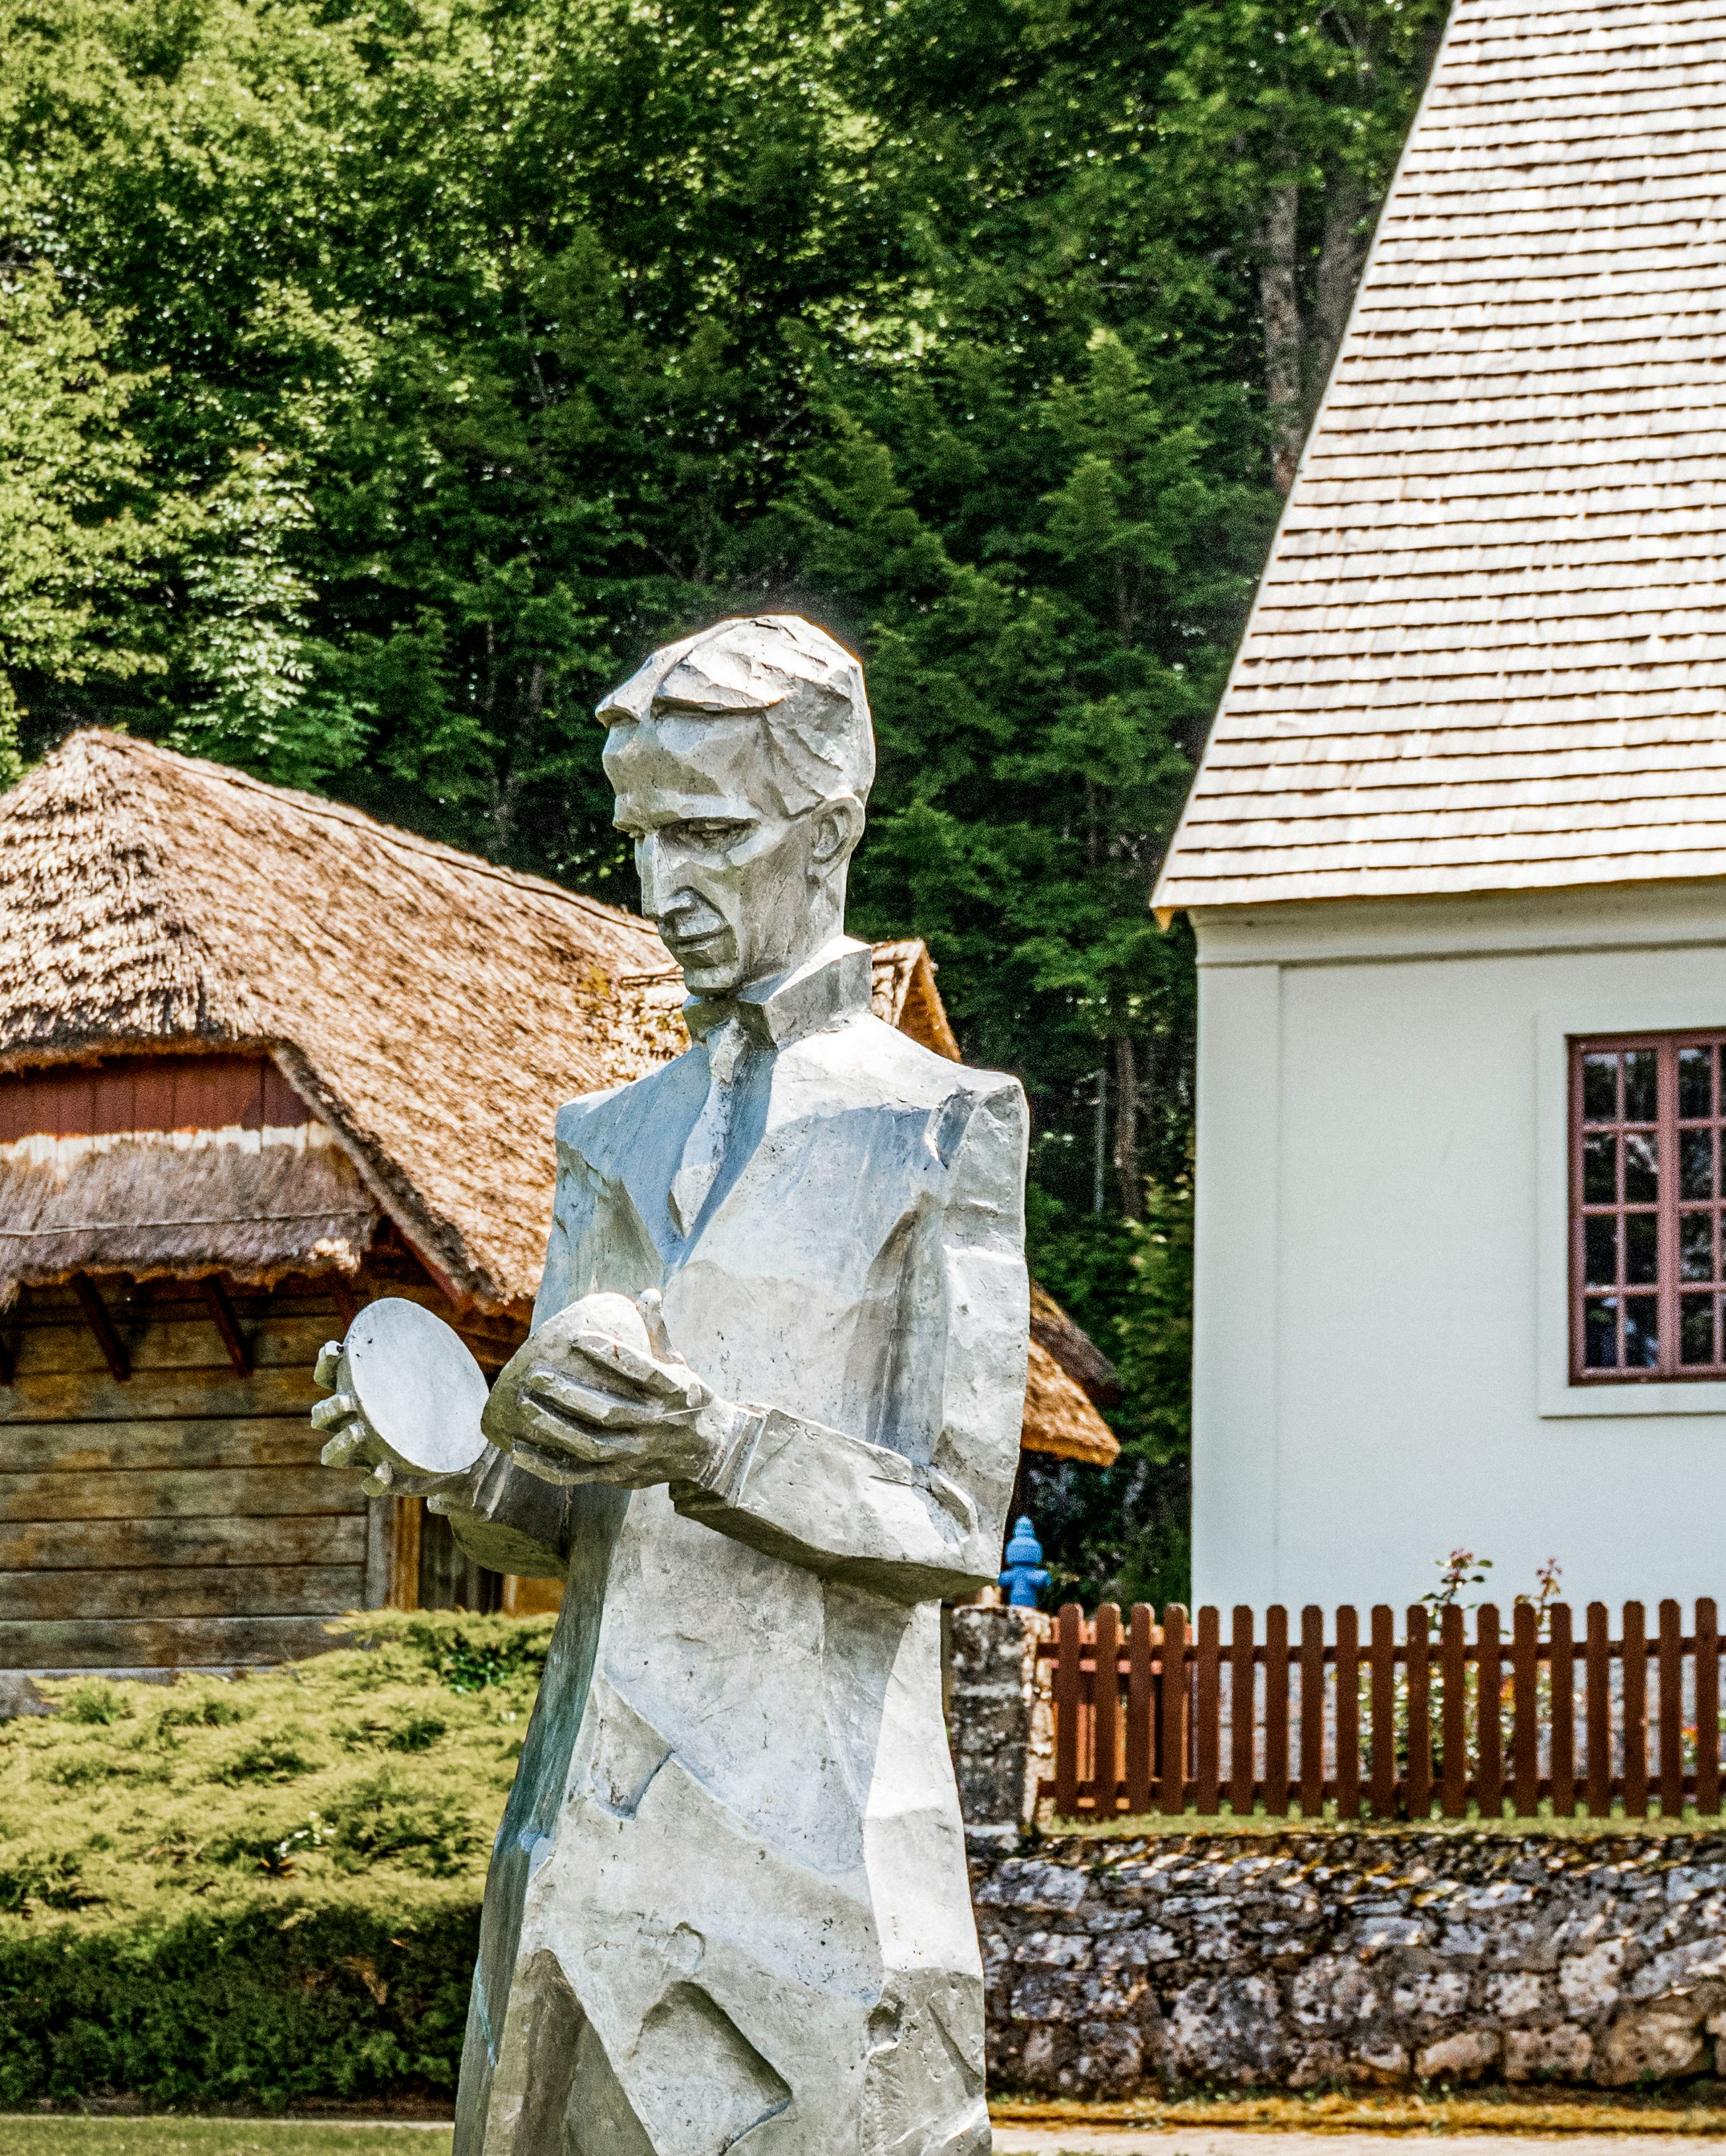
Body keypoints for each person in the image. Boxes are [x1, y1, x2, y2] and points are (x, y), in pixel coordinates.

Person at [314, 612, 1027, 2156]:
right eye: (639, 836)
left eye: (707, 831)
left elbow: (957, 1525)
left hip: (820, 1846)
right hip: (581, 1835)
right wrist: (451, 1461)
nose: (659, 887)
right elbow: (565, 1519)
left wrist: (711, 1438)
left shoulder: (939, 1124)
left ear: (828, 824)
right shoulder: (609, 1135)